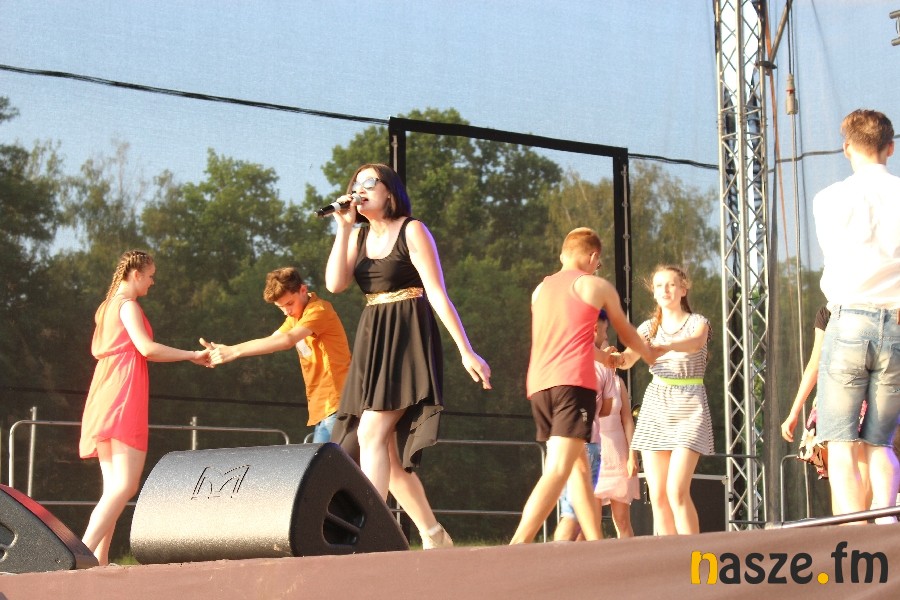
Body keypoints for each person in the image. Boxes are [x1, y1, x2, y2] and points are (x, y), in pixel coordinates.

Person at [325, 163, 491, 549]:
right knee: (386, 451)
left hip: (407, 337)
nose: (360, 189)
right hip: (373, 337)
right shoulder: (358, 234)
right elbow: (335, 284)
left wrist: (465, 349)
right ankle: (434, 535)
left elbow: (437, 292)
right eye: (356, 183)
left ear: (389, 191)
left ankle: (369, 534)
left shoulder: (412, 230)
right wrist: (343, 227)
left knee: (370, 433)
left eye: (370, 182)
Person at [510, 228, 655, 544]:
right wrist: (645, 353)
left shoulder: (540, 290)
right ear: (593, 257)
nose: (597, 268)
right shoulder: (593, 285)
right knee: (559, 468)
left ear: (563, 254)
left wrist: (606, 359)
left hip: (540, 384)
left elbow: (570, 340)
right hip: (573, 385)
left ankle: (594, 542)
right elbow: (626, 332)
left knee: (579, 470)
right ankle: (516, 546)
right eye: (598, 264)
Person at [79, 250, 211, 566]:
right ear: (136, 274)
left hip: (105, 390)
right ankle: (79, 553)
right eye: (150, 276)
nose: (152, 282)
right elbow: (147, 349)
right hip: (123, 392)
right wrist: (192, 355)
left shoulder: (106, 307)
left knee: (113, 488)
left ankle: (98, 559)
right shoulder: (127, 306)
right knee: (125, 484)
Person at [812, 109, 900, 523]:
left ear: (846, 147)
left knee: (840, 440)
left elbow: (834, 255)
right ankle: (886, 523)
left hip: (849, 318)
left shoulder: (828, 198)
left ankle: (853, 532)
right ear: (890, 148)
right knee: (880, 441)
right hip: (895, 321)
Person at [617, 265, 713, 536]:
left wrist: (666, 346)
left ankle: (694, 554)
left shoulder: (698, 322)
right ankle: (670, 557)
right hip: (656, 406)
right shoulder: (648, 328)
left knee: (676, 490)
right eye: (659, 286)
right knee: (658, 495)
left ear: (683, 289)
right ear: (653, 292)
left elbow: (695, 343)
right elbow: (626, 360)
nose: (665, 290)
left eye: (671, 284)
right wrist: (602, 355)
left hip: (690, 405)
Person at [202, 267, 351, 443]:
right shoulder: (294, 319)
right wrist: (227, 349)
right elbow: (272, 342)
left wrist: (233, 351)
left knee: (333, 461)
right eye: (281, 307)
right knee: (328, 460)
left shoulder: (320, 310)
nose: (287, 311)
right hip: (324, 408)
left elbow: (287, 340)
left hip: (340, 403)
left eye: (290, 303)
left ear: (303, 290)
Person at [553, 310, 618, 542]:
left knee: (575, 512)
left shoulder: (563, 357)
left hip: (561, 437)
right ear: (594, 329)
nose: (605, 336)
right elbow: (607, 409)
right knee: (574, 514)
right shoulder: (604, 366)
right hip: (587, 441)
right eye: (604, 331)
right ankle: (553, 557)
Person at [594, 374, 641, 539]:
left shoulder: (617, 382)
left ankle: (629, 555)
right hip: (594, 455)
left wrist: (633, 454)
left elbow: (627, 419)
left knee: (622, 521)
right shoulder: (583, 379)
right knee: (592, 524)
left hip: (618, 457)